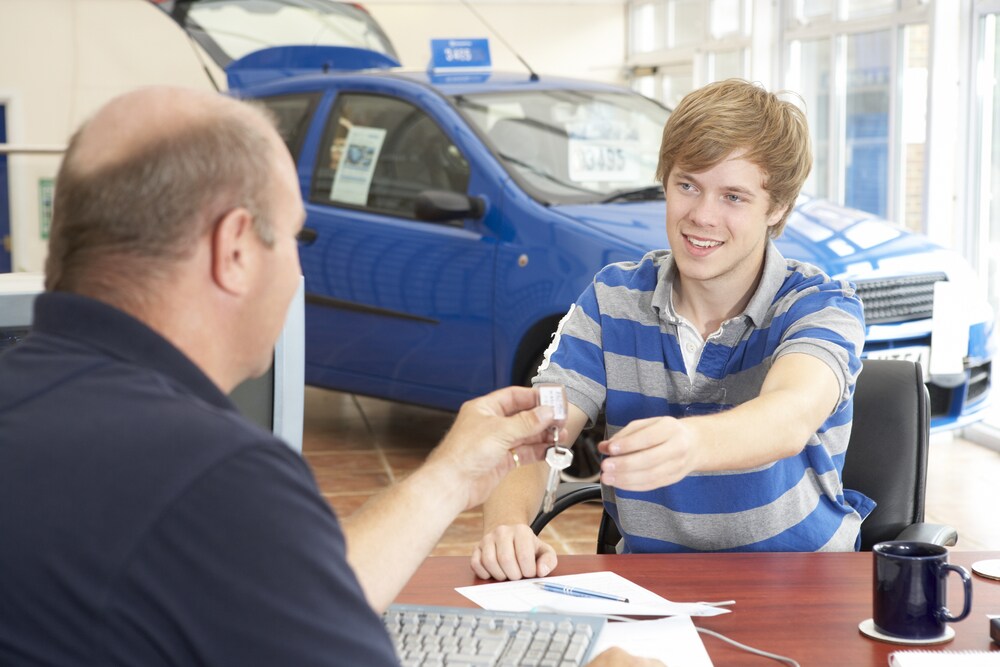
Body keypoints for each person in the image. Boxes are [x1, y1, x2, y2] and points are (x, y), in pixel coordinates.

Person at [0, 87, 659, 666]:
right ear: (234, 251)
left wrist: (451, 474)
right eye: (292, 237)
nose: (298, 272)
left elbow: (283, 593)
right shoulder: (208, 478)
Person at [472, 79, 872, 582]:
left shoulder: (820, 304)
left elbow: (788, 416)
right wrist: (507, 525)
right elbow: (538, 433)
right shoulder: (609, 300)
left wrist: (693, 445)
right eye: (688, 185)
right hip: (653, 591)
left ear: (778, 209)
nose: (702, 216)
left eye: (733, 196)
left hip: (803, 587)